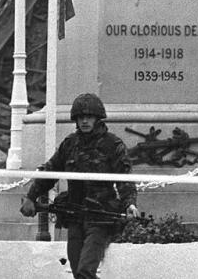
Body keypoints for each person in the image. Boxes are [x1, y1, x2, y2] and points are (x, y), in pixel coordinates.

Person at [20, 92, 137, 279]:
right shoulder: (70, 144)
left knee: (85, 271)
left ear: (97, 119)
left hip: (100, 218)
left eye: (89, 117)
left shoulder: (112, 144)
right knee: (77, 272)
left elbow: (124, 179)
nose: (84, 121)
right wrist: (31, 197)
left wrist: (129, 204)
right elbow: (51, 172)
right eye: (81, 117)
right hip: (74, 216)